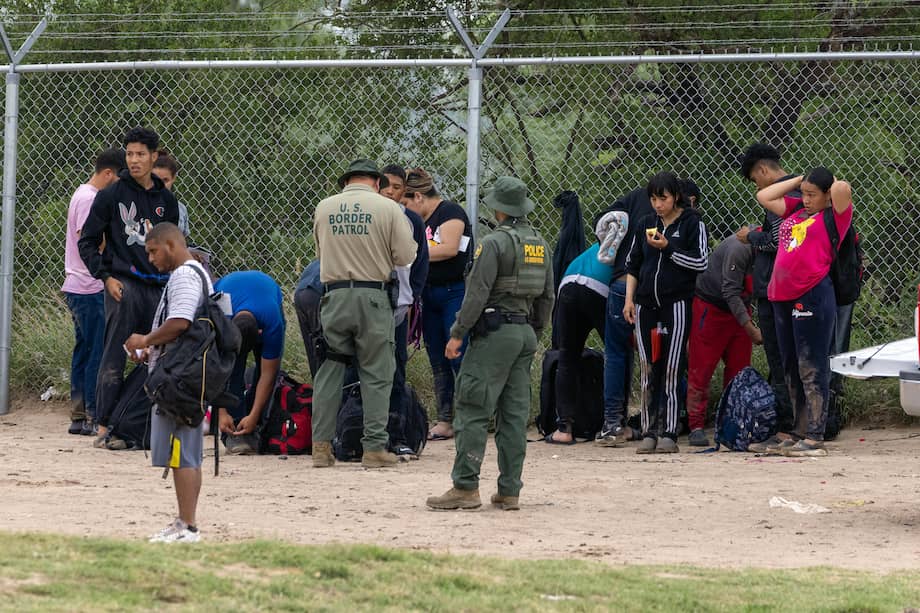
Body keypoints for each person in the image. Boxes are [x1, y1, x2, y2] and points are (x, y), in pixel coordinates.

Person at [426, 176, 554, 511]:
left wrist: (458, 333)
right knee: (513, 415)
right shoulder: (540, 244)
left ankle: (465, 487)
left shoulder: (494, 243)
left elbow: (477, 293)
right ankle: (509, 490)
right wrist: (533, 332)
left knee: (472, 407)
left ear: (499, 209)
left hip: (494, 334)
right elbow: (547, 296)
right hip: (524, 333)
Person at [311, 159, 417, 469]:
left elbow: (320, 254)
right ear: (376, 182)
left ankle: (321, 448)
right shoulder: (388, 208)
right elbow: (405, 256)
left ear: (346, 181)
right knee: (377, 372)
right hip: (373, 297)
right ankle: (373, 448)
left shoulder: (324, 207)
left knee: (330, 370)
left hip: (334, 296)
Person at [78, 127, 180, 449]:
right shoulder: (112, 195)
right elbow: (87, 242)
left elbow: (173, 248)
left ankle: (136, 425)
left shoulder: (166, 200)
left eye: (140, 154)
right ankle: (104, 424)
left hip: (158, 286)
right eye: (130, 154)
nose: (134, 160)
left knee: (156, 355)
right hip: (124, 285)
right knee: (114, 355)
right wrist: (106, 277)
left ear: (153, 156)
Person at [755, 168, 853, 457]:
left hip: (811, 294)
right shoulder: (796, 210)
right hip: (781, 296)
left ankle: (815, 434)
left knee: (812, 365)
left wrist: (827, 182)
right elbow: (764, 195)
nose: (806, 199)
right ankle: (798, 431)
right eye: (804, 194)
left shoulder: (834, 217)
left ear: (826, 195)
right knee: (791, 366)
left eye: (812, 195)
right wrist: (800, 181)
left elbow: (843, 189)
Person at [124, 222, 208, 543]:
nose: (150, 259)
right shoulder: (197, 272)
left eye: (153, 251)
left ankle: (187, 526)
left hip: (179, 379)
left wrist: (145, 339)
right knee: (186, 453)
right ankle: (186, 522)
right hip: (188, 374)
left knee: (180, 452)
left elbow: (180, 322)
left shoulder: (184, 275)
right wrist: (151, 350)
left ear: (171, 245)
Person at [623, 172, 708, 454]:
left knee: (672, 367)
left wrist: (668, 248)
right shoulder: (645, 223)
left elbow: (701, 262)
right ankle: (649, 430)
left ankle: (669, 432)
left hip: (677, 304)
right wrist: (629, 300)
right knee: (648, 367)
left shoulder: (692, 223)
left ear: (676, 197)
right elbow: (633, 265)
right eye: (653, 199)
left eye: (663, 198)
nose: (658, 205)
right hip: (645, 304)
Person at [404, 167, 472, 441]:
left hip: (452, 292)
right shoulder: (417, 221)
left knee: (458, 355)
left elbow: (449, 248)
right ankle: (445, 419)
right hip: (427, 294)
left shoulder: (450, 212)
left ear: (418, 197)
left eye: (407, 202)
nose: (405, 209)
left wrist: (411, 254)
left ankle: (469, 418)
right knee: (437, 357)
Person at [737, 143, 797, 447]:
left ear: (762, 170)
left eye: (755, 179)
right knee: (790, 356)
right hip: (788, 287)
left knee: (779, 358)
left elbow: (777, 240)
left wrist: (750, 236)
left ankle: (787, 427)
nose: (757, 186)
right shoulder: (801, 191)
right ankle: (801, 423)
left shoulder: (781, 195)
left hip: (776, 288)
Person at [63, 148, 126, 436]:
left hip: (79, 285)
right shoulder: (91, 198)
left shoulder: (81, 193)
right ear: (109, 174)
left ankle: (79, 415)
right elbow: (89, 239)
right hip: (88, 286)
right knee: (96, 351)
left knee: (85, 349)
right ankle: (91, 412)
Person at [685, 233, 761, 446]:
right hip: (711, 307)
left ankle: (732, 423)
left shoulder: (777, 247)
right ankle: (696, 425)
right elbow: (730, 291)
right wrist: (751, 329)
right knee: (702, 369)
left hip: (739, 307)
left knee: (739, 370)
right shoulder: (741, 248)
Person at [593, 187, 653, 446]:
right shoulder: (680, 209)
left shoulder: (636, 197)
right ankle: (658, 422)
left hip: (621, 281)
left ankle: (612, 424)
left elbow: (602, 220)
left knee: (617, 352)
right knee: (657, 353)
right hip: (650, 287)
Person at [382, 164, 430, 458]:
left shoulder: (411, 220)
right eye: (385, 185)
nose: (390, 191)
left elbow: (421, 262)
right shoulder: (369, 214)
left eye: (397, 187)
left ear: (405, 192)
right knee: (358, 366)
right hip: (367, 305)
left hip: (397, 306)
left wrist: (411, 298)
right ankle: (354, 430)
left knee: (397, 368)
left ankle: (397, 434)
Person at [544, 241, 612, 444]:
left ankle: (564, 429)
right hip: (600, 286)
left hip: (569, 280)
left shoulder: (609, 236)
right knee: (618, 354)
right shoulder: (643, 235)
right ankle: (616, 424)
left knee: (567, 356)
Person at [213, 270, 286, 455]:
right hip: (229, 291)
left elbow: (268, 375)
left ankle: (256, 425)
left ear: (261, 333)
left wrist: (254, 415)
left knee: (265, 370)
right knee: (232, 371)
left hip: (267, 293)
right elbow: (214, 369)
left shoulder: (272, 322)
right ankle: (234, 430)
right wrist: (222, 412)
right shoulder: (219, 315)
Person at [293, 260, 324, 378]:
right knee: (335, 355)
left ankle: (318, 384)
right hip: (320, 288)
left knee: (315, 351)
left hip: (302, 291)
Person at [152, 149, 190, 236]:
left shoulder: (181, 209)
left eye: (165, 180)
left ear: (174, 178)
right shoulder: (140, 204)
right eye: (156, 180)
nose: (160, 185)